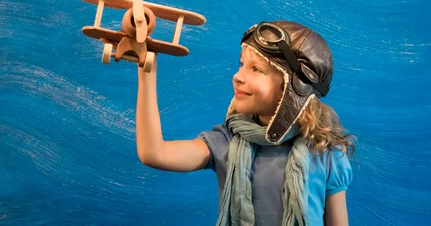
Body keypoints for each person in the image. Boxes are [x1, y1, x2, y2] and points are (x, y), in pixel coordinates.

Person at [136, 21, 356, 226]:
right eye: (242, 64)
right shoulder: (224, 143)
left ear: (293, 88)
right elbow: (154, 153)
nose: (237, 76)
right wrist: (146, 70)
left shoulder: (326, 154)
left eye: (256, 69)